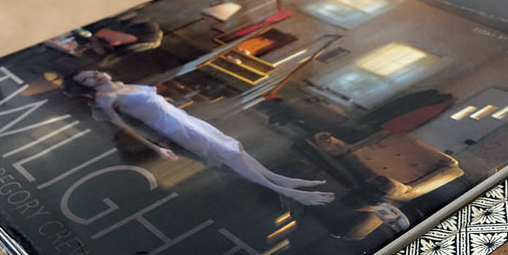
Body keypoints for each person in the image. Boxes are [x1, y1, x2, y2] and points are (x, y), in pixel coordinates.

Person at [72, 70, 334, 206]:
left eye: (93, 71)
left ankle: (280, 179)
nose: (96, 75)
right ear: (89, 86)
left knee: (234, 147)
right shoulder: (105, 98)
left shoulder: (121, 85)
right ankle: (287, 192)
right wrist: (157, 147)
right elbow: (124, 127)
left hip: (183, 118)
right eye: (89, 78)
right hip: (171, 127)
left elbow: (155, 99)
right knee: (228, 156)